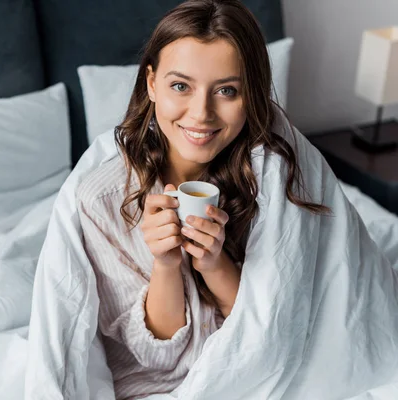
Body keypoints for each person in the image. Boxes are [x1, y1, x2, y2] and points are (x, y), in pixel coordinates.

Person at [75, 1, 330, 399]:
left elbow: (276, 324)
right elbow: (153, 356)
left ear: (252, 95)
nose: (201, 114)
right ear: (152, 83)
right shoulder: (103, 199)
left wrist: (214, 264)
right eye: (181, 86)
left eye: (226, 91)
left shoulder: (268, 174)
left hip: (256, 369)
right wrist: (165, 264)